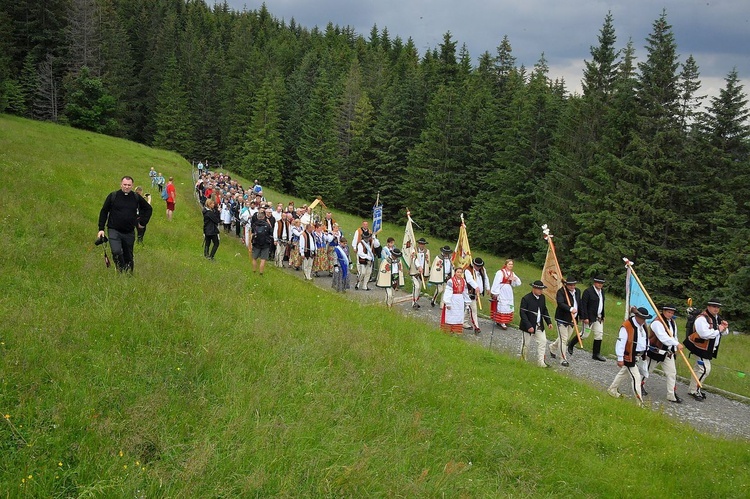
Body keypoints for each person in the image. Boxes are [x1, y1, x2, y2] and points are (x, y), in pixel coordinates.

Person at [97, 176, 152, 273]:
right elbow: (104, 211)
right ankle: (120, 270)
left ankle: (128, 275)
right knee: (116, 251)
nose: (126, 187)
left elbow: (148, 209)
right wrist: (101, 228)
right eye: (125, 184)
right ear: (121, 184)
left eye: (129, 185)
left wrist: (142, 223)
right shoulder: (113, 196)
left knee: (128, 256)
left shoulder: (136, 197)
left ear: (132, 186)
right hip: (114, 230)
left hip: (129, 232)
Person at [684, 298, 729, 401]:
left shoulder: (717, 318)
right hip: (699, 347)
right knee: (705, 369)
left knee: (698, 369)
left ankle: (692, 389)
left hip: (708, 348)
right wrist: (719, 329)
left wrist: (724, 328)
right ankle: (695, 390)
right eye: (714, 306)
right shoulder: (701, 318)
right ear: (708, 306)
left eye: (718, 307)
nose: (716, 309)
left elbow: (724, 333)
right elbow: (704, 334)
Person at [608, 307, 652, 405]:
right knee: (636, 378)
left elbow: (645, 339)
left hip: (639, 356)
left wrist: (646, 350)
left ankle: (612, 389)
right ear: (636, 316)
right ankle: (639, 403)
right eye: (641, 318)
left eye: (645, 319)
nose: (643, 320)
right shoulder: (626, 326)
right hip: (629, 356)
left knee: (623, 373)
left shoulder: (643, 325)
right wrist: (620, 358)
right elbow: (621, 343)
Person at [644, 305, 683, 403]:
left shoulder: (673, 323)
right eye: (668, 312)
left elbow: (674, 336)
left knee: (672, 373)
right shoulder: (657, 322)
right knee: (648, 370)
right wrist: (676, 343)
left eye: (672, 313)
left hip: (668, 353)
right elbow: (663, 337)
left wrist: (675, 348)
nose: (670, 314)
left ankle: (671, 394)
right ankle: (639, 384)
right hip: (656, 351)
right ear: (663, 311)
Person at [518, 280, 553, 367]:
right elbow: (522, 313)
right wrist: (528, 325)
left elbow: (544, 310)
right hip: (528, 326)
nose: (540, 291)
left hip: (539, 325)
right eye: (539, 289)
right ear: (533, 288)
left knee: (543, 341)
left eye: (541, 289)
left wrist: (548, 322)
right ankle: (523, 359)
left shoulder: (542, 298)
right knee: (526, 344)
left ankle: (541, 362)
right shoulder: (526, 298)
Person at [573, 276, 607, 361]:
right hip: (590, 318)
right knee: (585, 334)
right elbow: (583, 305)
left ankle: (596, 354)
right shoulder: (588, 292)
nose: (600, 285)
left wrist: (603, 315)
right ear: (594, 282)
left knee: (599, 334)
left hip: (598, 318)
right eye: (598, 283)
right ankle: (571, 344)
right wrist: (585, 317)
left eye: (602, 283)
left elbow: (602, 305)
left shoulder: (602, 292)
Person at [549, 278, 581, 367]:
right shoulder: (561, 292)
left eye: (574, 285)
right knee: (564, 339)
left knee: (565, 338)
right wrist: (570, 308)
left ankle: (553, 347)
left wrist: (581, 315)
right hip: (562, 319)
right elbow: (560, 303)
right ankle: (563, 359)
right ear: (566, 285)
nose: (572, 287)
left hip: (573, 319)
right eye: (570, 285)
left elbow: (579, 303)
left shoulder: (577, 292)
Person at [491, 259, 522, 330]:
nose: (511, 266)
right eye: (509, 264)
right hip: (502, 290)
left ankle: (506, 320)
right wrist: (495, 292)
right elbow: (496, 282)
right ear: (506, 265)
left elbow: (518, 283)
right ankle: (501, 321)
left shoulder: (512, 273)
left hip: (508, 291)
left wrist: (514, 279)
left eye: (512, 264)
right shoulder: (500, 272)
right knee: (502, 304)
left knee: (508, 304)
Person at [463, 257, 490, 334]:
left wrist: (487, 287)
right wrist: (476, 286)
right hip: (470, 292)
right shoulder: (468, 270)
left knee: (469, 308)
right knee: (474, 309)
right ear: (473, 264)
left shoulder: (482, 269)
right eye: (477, 266)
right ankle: (476, 327)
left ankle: (464, 322)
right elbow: (469, 280)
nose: (478, 268)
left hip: (477, 293)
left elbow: (486, 278)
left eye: (479, 266)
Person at [441, 267, 471, 334]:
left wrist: (467, 302)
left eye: (460, 272)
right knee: (451, 314)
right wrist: (448, 303)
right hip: (452, 298)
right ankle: (449, 330)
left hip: (460, 299)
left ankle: (456, 330)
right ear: (455, 272)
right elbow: (448, 291)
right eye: (458, 272)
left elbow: (465, 292)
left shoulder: (463, 281)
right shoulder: (451, 281)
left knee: (459, 314)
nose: (459, 274)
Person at [408, 238, 431, 308]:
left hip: (422, 272)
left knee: (419, 288)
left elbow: (428, 262)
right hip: (415, 271)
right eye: (420, 244)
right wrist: (419, 267)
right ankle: (413, 302)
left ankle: (416, 301)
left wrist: (427, 272)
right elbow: (414, 259)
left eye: (423, 244)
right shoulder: (414, 250)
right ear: (418, 244)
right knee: (416, 286)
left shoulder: (427, 251)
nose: (422, 245)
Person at [250, 209, 273, 275]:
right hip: (265, 244)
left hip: (256, 243)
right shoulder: (267, 225)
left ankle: (254, 271)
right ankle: (261, 273)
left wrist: (251, 243)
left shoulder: (254, 224)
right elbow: (271, 232)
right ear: (264, 217)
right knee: (263, 259)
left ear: (257, 217)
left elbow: (252, 233)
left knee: (254, 258)